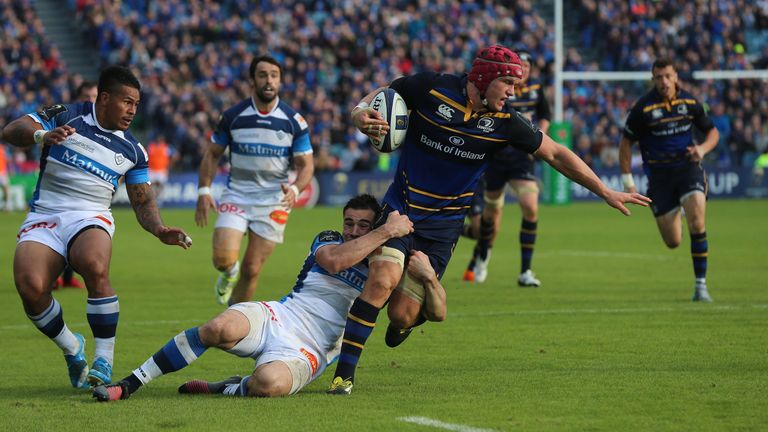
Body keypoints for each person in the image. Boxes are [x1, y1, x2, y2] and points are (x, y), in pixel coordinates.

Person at [327, 45, 651, 395]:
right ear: (484, 78)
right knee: (382, 280)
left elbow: (556, 153)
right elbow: (387, 91)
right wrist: (360, 111)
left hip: (443, 227)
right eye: (509, 83)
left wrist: (605, 190)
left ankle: (405, 321)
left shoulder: (507, 123)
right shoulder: (430, 87)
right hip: (400, 208)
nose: (514, 92)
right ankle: (344, 376)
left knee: (402, 315)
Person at [91, 194, 443, 401]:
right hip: (281, 315)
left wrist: (429, 278)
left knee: (268, 385)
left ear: (373, 226)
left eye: (362, 225)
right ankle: (131, 382)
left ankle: (230, 387)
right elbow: (335, 262)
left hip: (311, 350)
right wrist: (385, 231)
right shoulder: (329, 239)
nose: (352, 230)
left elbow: (437, 313)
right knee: (217, 327)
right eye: (349, 222)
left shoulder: (387, 269)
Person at [1, 65, 192, 389]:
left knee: (94, 263)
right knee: (30, 286)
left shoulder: (134, 150)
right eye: (127, 102)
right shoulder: (64, 115)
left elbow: (143, 201)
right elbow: (10, 130)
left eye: (136, 104)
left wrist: (159, 229)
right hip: (46, 214)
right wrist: (41, 135)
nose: (133, 110)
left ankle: (104, 359)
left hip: (91, 216)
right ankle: (72, 348)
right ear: (105, 98)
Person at [195, 55, 315, 306]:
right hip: (238, 194)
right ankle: (229, 274)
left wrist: (295, 187)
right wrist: (204, 190)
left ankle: (233, 320)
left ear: (281, 81)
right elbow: (212, 154)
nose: (269, 80)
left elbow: (306, 165)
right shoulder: (233, 116)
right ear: (252, 80)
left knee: (252, 268)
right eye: (262, 75)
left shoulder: (294, 121)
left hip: (274, 200)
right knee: (222, 259)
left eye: (274, 75)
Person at [619, 58, 719, 302]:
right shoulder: (642, 109)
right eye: (658, 77)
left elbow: (712, 132)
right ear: (653, 80)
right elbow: (626, 143)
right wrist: (627, 181)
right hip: (659, 179)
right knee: (673, 242)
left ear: (676, 77)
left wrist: (702, 150)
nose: (663, 81)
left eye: (667, 76)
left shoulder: (690, 102)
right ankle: (679, 211)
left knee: (697, 222)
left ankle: (701, 286)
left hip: (688, 169)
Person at [463, 50, 551, 287]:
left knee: (530, 207)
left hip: (522, 157)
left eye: (527, 66)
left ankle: (526, 271)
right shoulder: (499, 89)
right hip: (497, 157)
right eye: (519, 65)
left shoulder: (535, 89)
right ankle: (482, 257)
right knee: (490, 221)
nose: (523, 70)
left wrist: (539, 137)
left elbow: (545, 116)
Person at [54, 80, 99, 290]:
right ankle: (53, 275)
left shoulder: (102, 126)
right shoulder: (67, 118)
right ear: (78, 99)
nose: (90, 101)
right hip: (61, 186)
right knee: (59, 232)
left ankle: (68, 276)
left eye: (94, 97)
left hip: (87, 191)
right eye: (86, 97)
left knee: (79, 234)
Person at [147, 134, 178, 204]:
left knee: (160, 185)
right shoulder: (152, 146)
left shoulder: (166, 147)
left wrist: (170, 165)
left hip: (162, 170)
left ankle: (157, 199)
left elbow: (176, 155)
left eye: (161, 140)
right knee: (150, 185)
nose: (160, 141)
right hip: (151, 169)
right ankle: (152, 199)